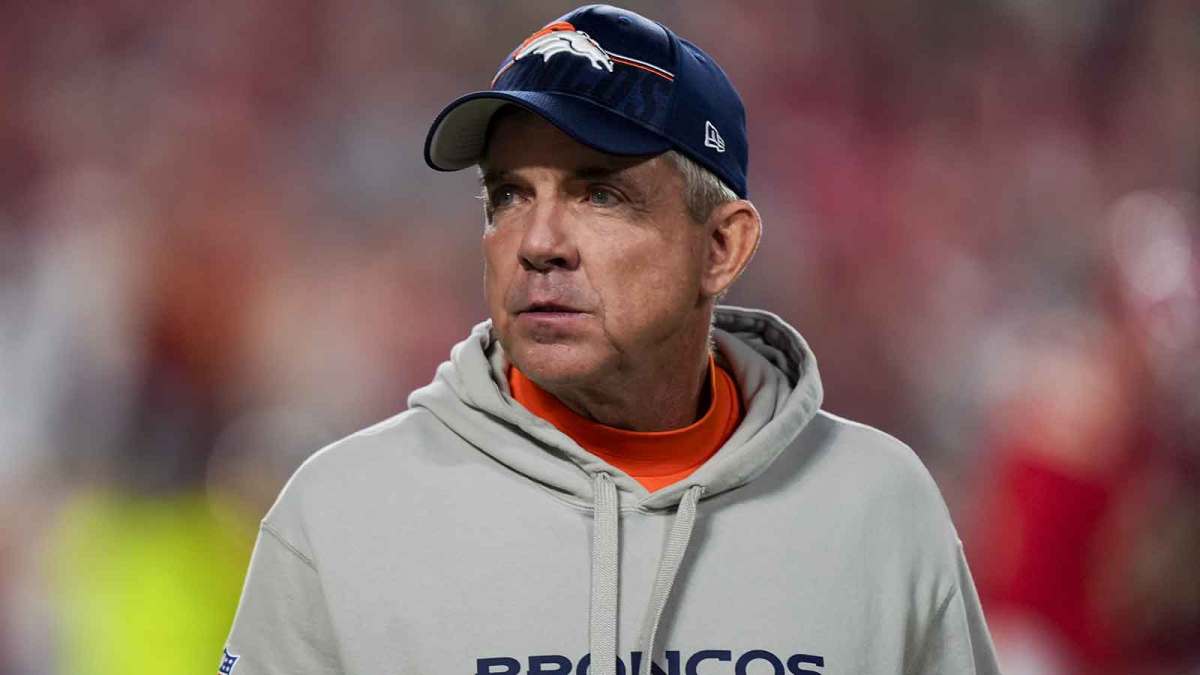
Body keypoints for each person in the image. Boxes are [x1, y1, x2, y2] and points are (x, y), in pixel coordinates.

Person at [221, 5, 1001, 674]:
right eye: (508, 195)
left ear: (722, 247)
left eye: (599, 193)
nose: (538, 243)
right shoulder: (343, 514)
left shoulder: (878, 508)